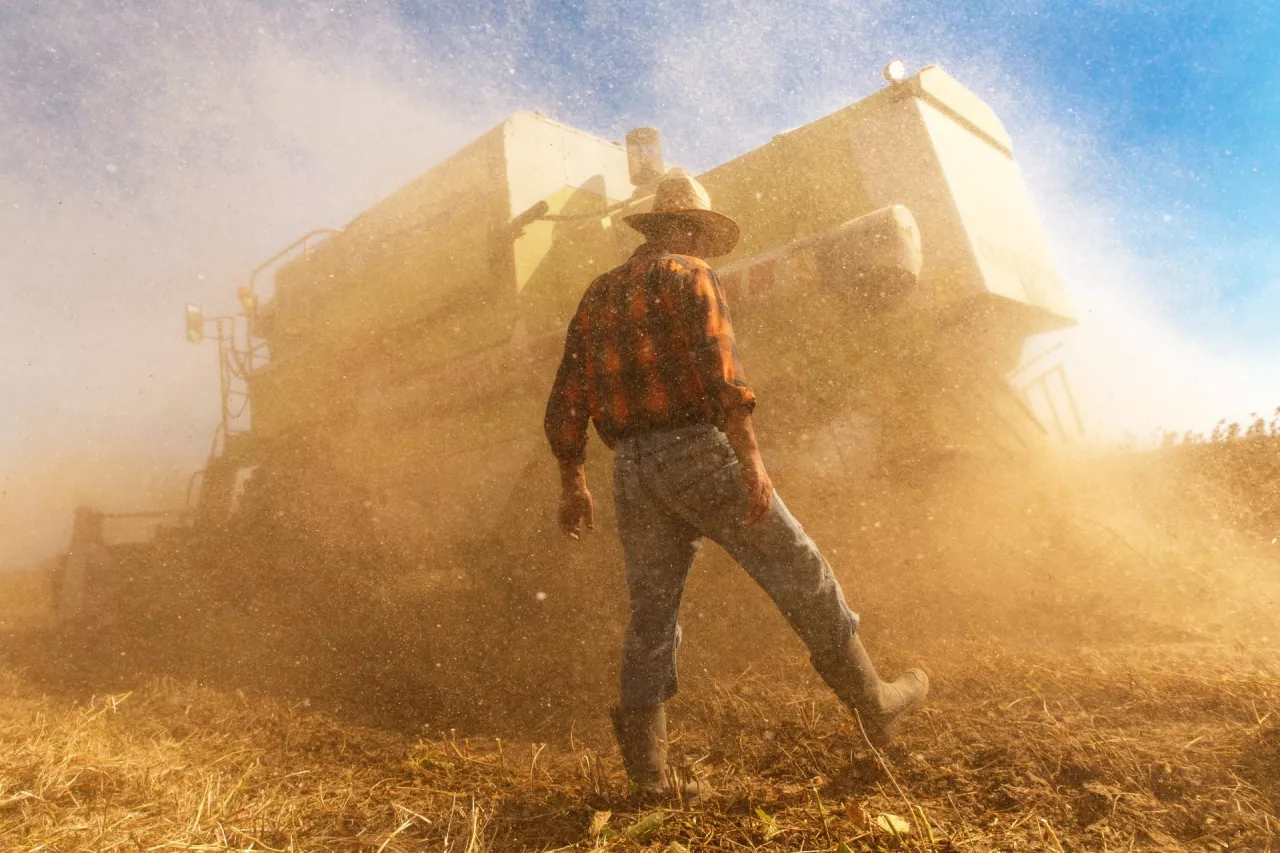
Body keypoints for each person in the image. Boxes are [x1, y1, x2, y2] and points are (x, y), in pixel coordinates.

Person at [543, 172, 929, 800]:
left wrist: (573, 480)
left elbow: (567, 395)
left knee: (651, 616)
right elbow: (722, 375)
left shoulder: (599, 293)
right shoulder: (691, 275)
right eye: (701, 234)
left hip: (632, 471)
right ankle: (874, 702)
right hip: (698, 454)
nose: (702, 245)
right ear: (691, 230)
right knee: (797, 569)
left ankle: (651, 778)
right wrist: (751, 461)